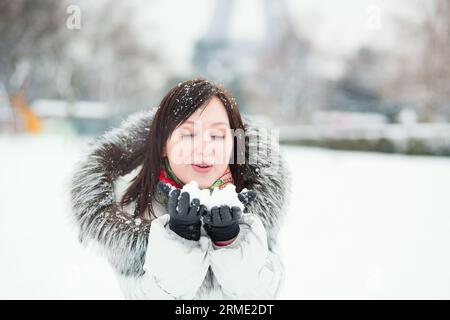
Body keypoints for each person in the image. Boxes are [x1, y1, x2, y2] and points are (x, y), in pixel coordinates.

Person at [70, 78, 291, 299]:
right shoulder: (132, 208)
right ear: (163, 145)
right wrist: (178, 238)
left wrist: (231, 241)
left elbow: (262, 294)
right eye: (188, 134)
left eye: (217, 136)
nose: (205, 147)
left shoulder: (254, 202)